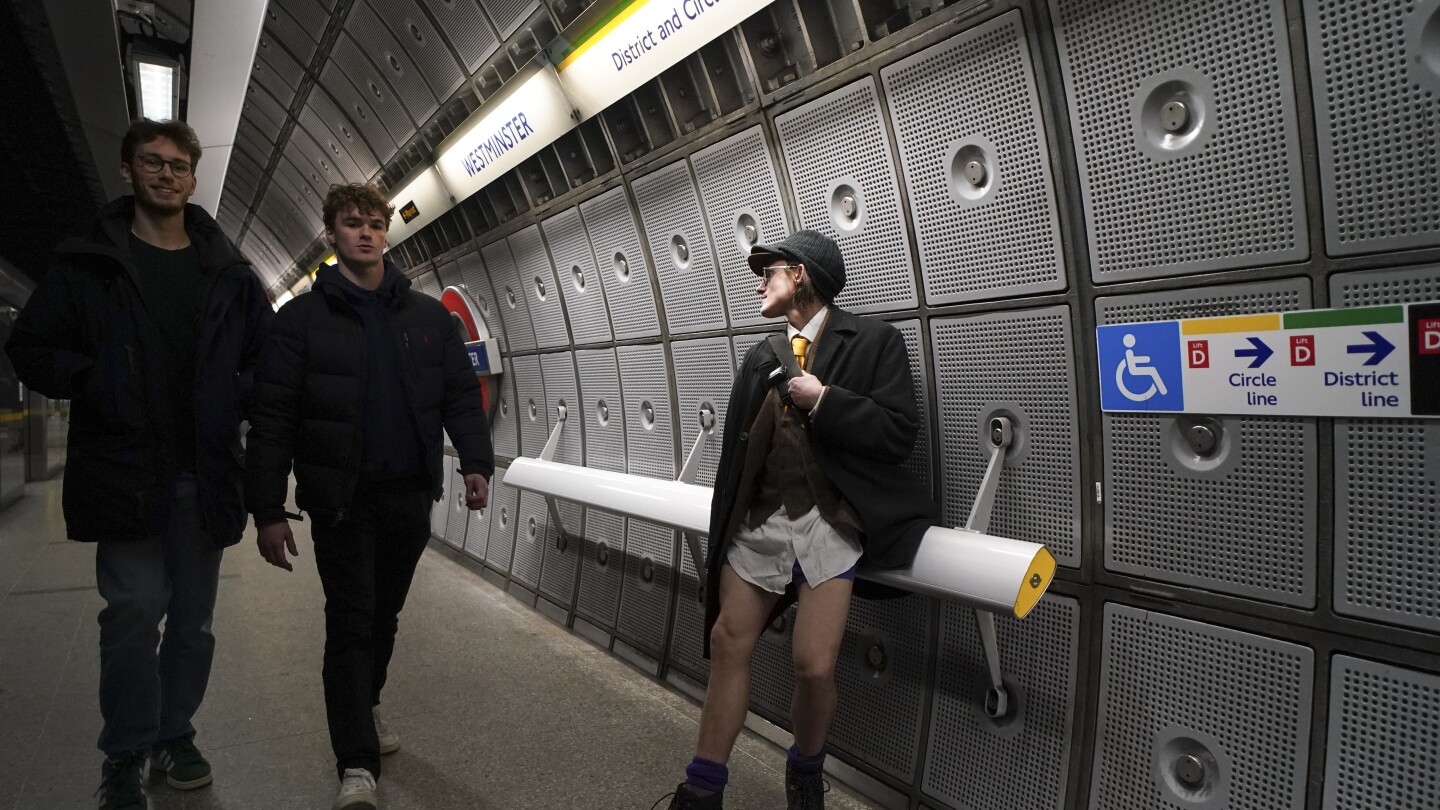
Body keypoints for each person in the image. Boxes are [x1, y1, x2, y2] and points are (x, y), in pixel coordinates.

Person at [4, 118, 274, 809]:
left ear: (192, 176)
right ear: (127, 171)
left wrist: (233, 396)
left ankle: (174, 733)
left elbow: (264, 358)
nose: (166, 175)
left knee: (193, 621)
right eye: (152, 162)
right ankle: (125, 751)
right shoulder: (88, 265)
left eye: (179, 165)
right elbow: (30, 347)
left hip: (204, 471)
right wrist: (94, 378)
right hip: (122, 468)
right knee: (131, 612)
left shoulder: (228, 272)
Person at [664, 230, 937, 810]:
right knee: (727, 641)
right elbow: (737, 455)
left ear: (803, 276)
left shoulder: (873, 342)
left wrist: (826, 401)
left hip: (828, 526)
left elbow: (899, 434)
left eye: (772, 271)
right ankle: (702, 788)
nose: (760, 281)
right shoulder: (761, 356)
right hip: (759, 524)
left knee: (813, 667)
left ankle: (805, 771)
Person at [245, 183, 494, 810]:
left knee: (384, 616)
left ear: (388, 231)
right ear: (331, 234)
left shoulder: (428, 317)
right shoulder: (300, 321)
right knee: (352, 620)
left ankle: (366, 702)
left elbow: (460, 395)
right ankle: (355, 763)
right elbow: (273, 418)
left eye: (375, 223)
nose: (366, 232)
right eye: (352, 223)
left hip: (409, 495)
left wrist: (475, 462)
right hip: (340, 500)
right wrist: (269, 509)